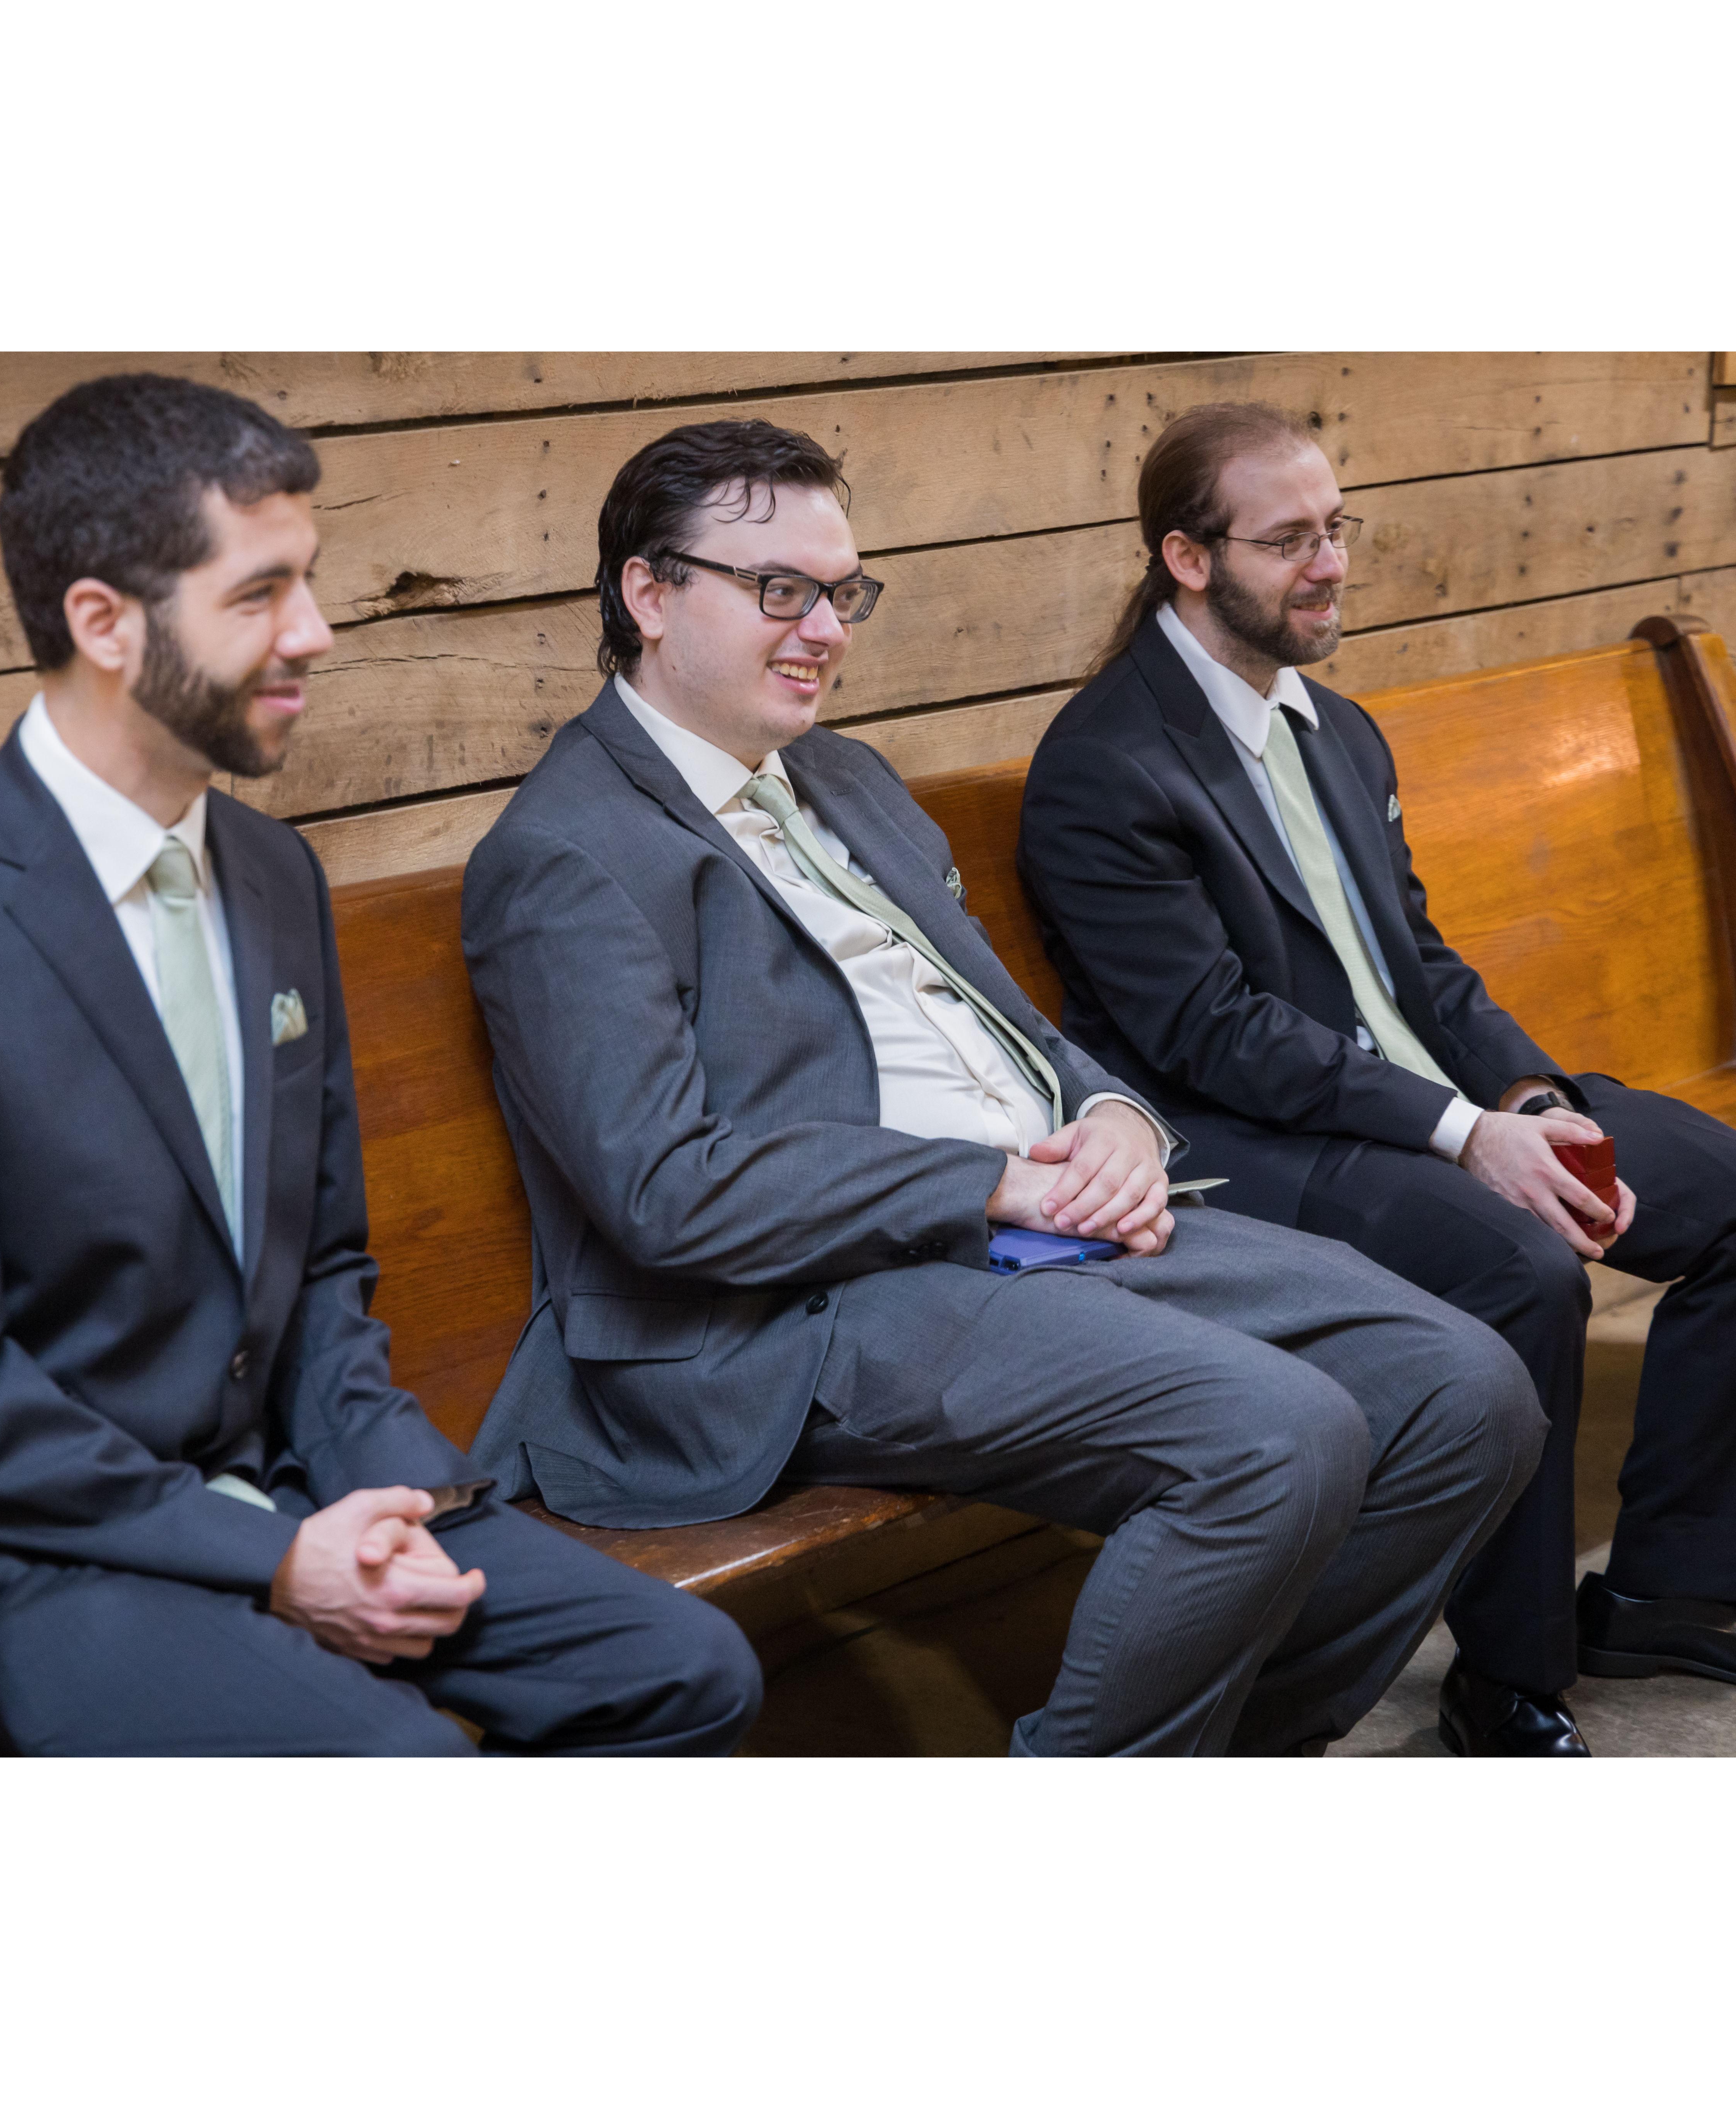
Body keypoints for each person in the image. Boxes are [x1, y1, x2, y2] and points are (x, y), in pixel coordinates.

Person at [459, 415, 1544, 1757]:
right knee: (1276, 1434)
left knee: (1466, 1390)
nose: (823, 631)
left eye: (841, 593)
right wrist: (986, 1183)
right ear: (650, 593)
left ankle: (1237, 1754)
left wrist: (1115, 1117)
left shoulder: (844, 778)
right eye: (779, 591)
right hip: (798, 1308)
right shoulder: (570, 854)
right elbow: (664, 1192)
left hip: (1036, 1229)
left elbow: (1008, 1027)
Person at [0, 373, 759, 1757]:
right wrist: (274, 1560)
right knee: (401, 1764)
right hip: (2, 1559)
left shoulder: (272, 874)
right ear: (103, 623)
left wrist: (394, 1506)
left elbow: (323, 1270)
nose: (316, 631)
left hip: (273, 1485)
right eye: (259, 595)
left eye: (309, 579)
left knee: (687, 1670)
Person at [1017, 399, 1736, 1755]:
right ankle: (1507, 1677)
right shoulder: (1105, 768)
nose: (1332, 563)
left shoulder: (1336, 728)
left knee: (1728, 1190)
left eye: (1337, 527)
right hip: (1247, 1145)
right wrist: (1466, 1137)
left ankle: (1666, 1589)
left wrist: (1525, 1099)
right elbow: (1214, 1033)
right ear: (1187, 558)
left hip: (1422, 1108)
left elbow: (1422, 966)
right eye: (1290, 540)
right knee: (1520, 1266)